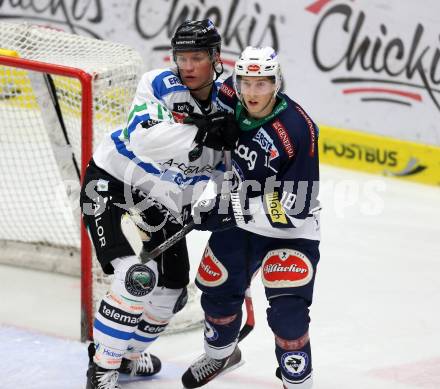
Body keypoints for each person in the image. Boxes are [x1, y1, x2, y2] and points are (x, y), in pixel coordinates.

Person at [80, 19, 239, 389]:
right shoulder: (158, 84)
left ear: (215, 58)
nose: (187, 66)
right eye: (181, 57)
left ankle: (129, 357)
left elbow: (230, 170)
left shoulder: (231, 103)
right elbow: (143, 139)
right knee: (132, 277)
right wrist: (202, 131)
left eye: (197, 57)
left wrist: (225, 202)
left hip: (161, 199)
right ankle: (102, 368)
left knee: (171, 287)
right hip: (111, 181)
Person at [181, 46, 321, 389]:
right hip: (240, 218)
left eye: (262, 84)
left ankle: (298, 381)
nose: (252, 92)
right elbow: (196, 100)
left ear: (276, 83)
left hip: (291, 231)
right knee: (215, 290)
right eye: (246, 82)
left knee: (288, 316)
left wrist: (228, 212)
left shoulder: (299, 131)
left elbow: (293, 209)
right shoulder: (229, 94)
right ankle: (221, 355)